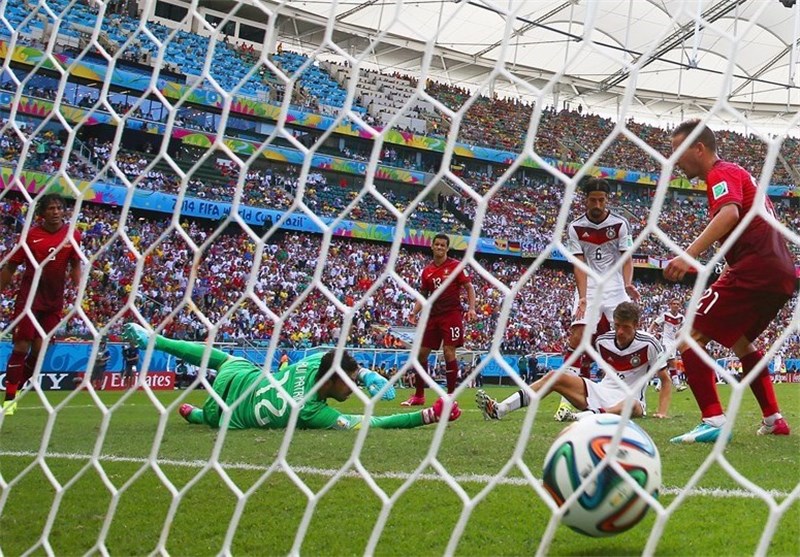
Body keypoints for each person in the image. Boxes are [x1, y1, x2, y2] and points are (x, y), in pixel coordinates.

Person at [664, 119, 794, 443]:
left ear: (699, 148)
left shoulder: (720, 173)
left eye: (678, 151)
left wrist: (689, 255)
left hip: (756, 269)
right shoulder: (738, 174)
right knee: (739, 341)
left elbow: (730, 215)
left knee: (689, 336)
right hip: (779, 273)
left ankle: (713, 420)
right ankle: (773, 418)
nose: (675, 160)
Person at [122, 323, 461, 430]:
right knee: (205, 416)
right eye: (350, 382)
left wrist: (365, 374)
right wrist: (426, 415)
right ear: (331, 382)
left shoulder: (315, 363)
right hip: (222, 412)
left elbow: (332, 357)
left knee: (219, 357)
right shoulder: (311, 411)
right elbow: (368, 424)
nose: (352, 388)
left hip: (241, 375)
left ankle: (156, 340)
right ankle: (195, 415)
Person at [476, 302, 671, 421]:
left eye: (626, 327)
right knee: (555, 376)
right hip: (601, 392)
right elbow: (584, 363)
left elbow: (665, 379)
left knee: (632, 404)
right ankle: (501, 408)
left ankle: (584, 418)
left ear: (636, 325)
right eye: (617, 325)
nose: (620, 331)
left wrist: (661, 412)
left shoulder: (649, 344)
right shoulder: (603, 341)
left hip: (630, 400)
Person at [556, 178, 641, 419]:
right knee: (579, 335)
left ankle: (631, 392)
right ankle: (566, 401)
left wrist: (627, 283)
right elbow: (579, 265)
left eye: (602, 200)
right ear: (585, 200)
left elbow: (627, 258)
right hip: (590, 285)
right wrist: (582, 298)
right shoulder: (575, 227)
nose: (597, 204)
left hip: (615, 285)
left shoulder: (620, 224)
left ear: (607, 200)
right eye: (593, 199)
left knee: (626, 334)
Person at [1, 193, 82, 415]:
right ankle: (9, 399)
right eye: (50, 209)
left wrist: (78, 289)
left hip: (54, 302)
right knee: (21, 347)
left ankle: (15, 387)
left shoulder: (72, 235)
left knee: (38, 352)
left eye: (59, 208)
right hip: (29, 299)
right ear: (41, 214)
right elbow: (10, 267)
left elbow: (75, 264)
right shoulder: (29, 236)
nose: (55, 212)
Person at [402, 233, 477, 406]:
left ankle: (450, 396)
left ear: (447, 248)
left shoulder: (456, 266)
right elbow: (423, 295)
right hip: (433, 316)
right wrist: (414, 312)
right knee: (421, 354)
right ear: (432, 246)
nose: (440, 247)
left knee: (449, 351)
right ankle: (419, 396)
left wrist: (472, 308)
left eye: (443, 245)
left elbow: (469, 287)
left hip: (451, 315)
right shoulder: (427, 271)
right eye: (437, 244)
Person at [647, 298, 688, 392]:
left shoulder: (681, 318)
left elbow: (685, 328)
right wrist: (649, 333)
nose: (676, 305)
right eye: (674, 304)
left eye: (677, 304)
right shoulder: (665, 315)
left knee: (667, 365)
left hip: (674, 342)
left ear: (680, 306)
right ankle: (677, 385)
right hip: (666, 341)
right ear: (670, 305)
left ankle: (658, 385)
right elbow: (655, 323)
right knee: (673, 362)